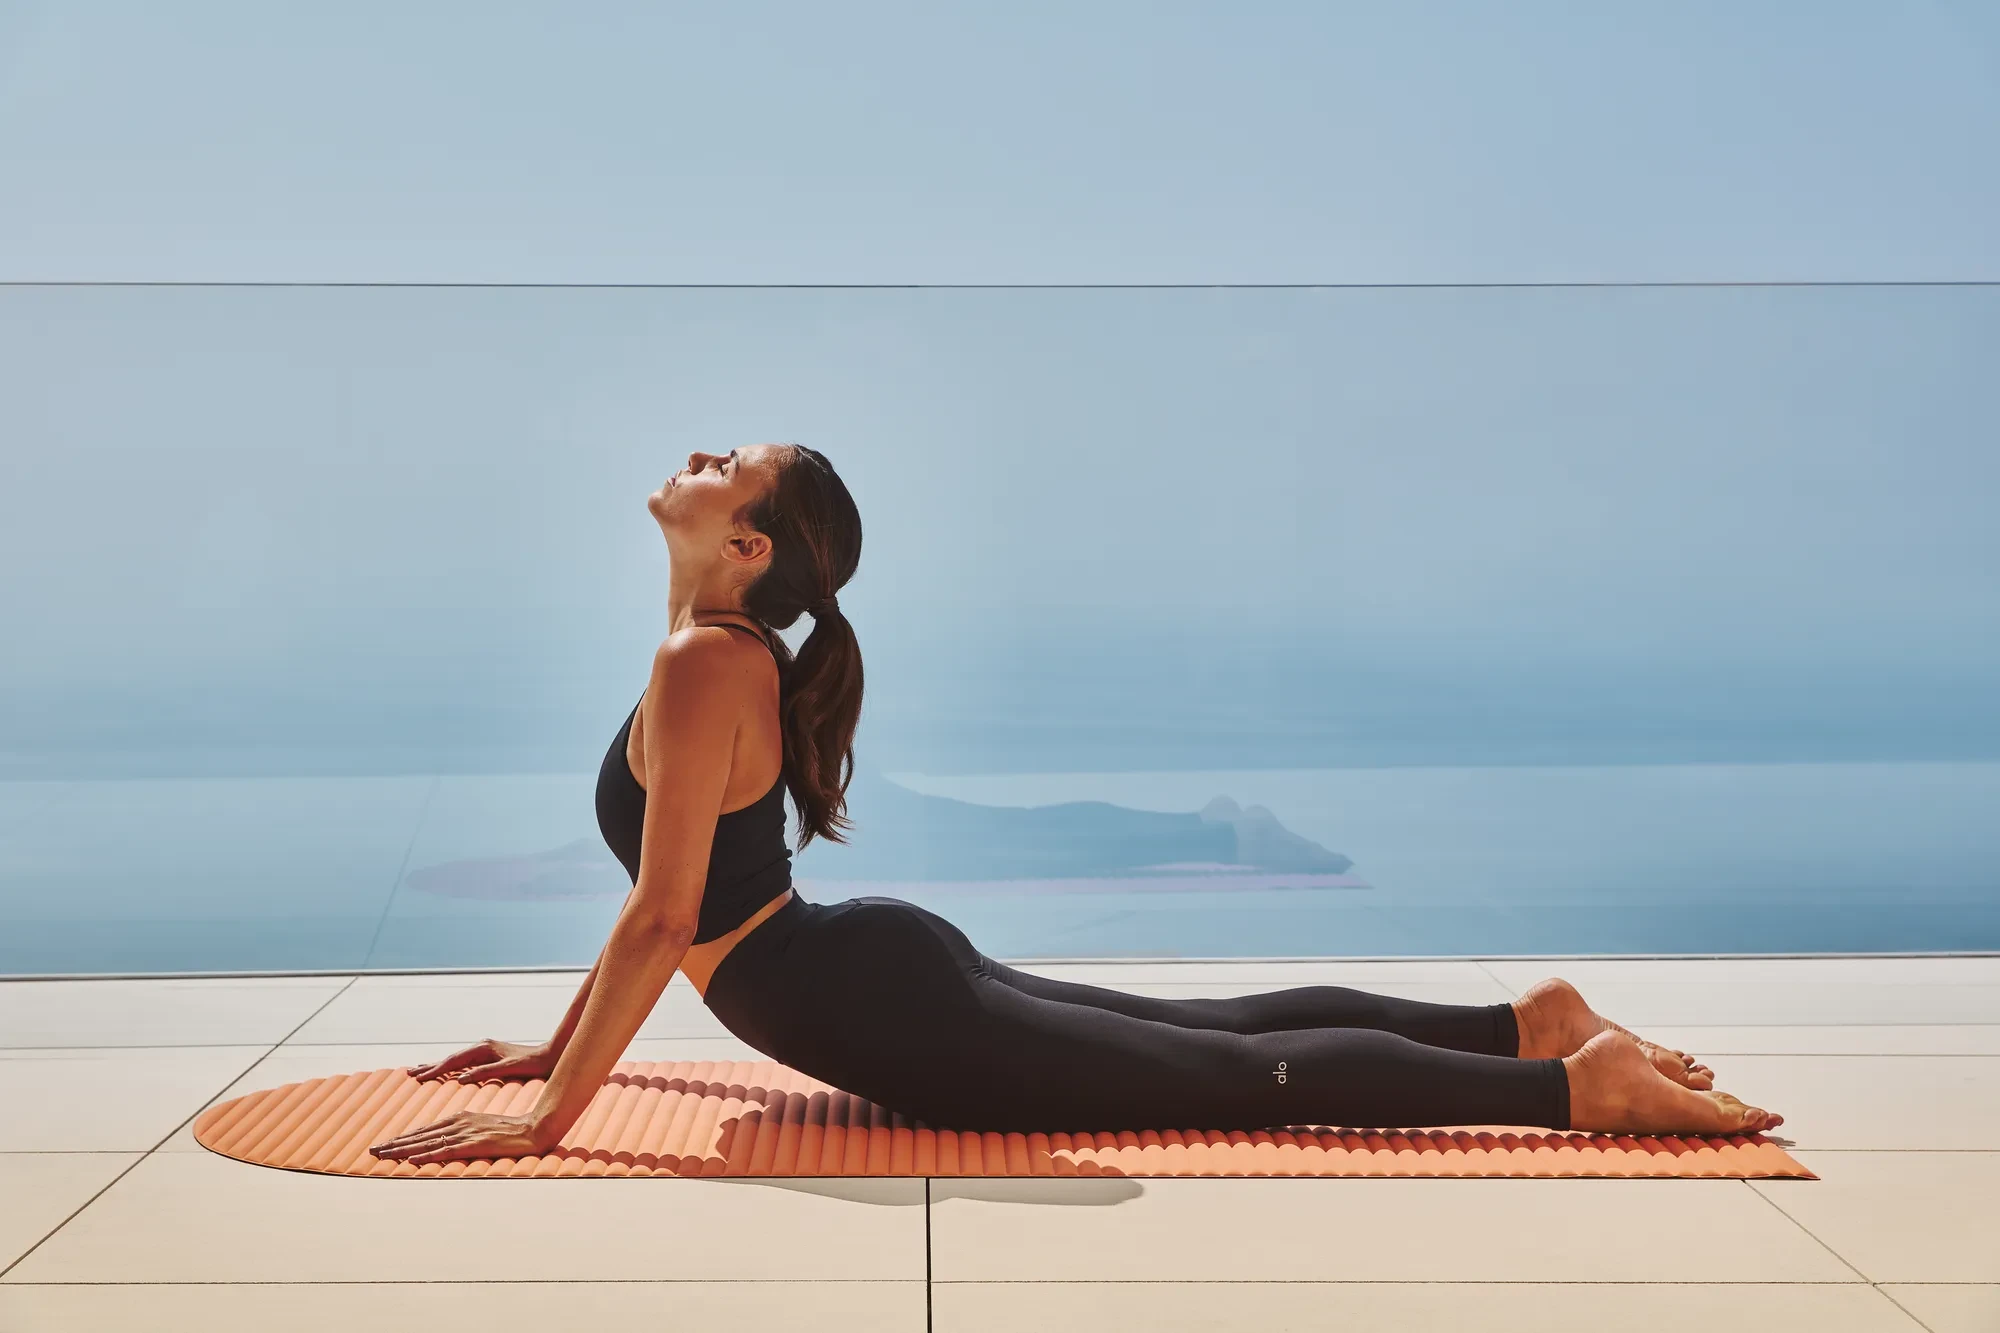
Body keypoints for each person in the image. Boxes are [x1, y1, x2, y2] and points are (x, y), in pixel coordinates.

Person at [371, 443, 1779, 1166]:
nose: (700, 448)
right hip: (868, 974)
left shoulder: (701, 661)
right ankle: (1525, 1021)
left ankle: (1561, 1083)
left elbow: (668, 914)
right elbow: (658, 912)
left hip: (875, 999)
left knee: (1231, 1079)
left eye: (728, 460)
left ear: (745, 544)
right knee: (1208, 1036)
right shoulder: (714, 657)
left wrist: (551, 1113)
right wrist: (548, 1051)